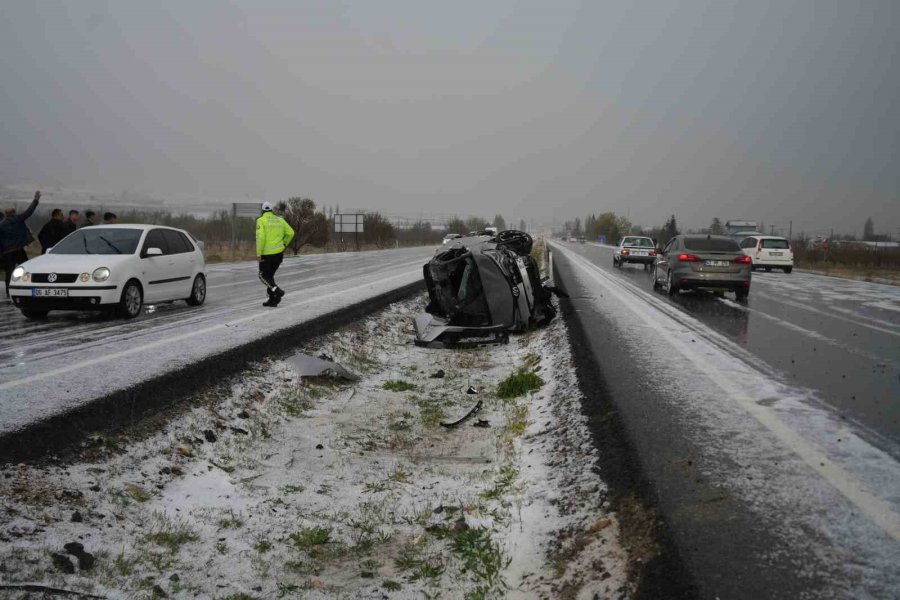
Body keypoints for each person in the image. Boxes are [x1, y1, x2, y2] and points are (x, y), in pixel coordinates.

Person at [0, 190, 41, 298]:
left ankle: (9, 293)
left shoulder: (1, 225)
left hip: (8, 252)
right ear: (13, 213)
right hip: (19, 249)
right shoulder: (18, 219)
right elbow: (29, 211)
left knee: (9, 272)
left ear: (5, 214)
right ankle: (28, 287)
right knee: (26, 268)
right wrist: (36, 200)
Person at [256, 201, 294, 307]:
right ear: (271, 210)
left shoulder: (261, 220)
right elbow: (291, 232)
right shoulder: (280, 220)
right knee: (270, 276)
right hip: (278, 255)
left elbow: (261, 237)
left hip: (266, 255)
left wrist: (258, 253)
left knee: (262, 276)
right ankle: (273, 300)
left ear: (263, 210)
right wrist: (284, 243)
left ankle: (276, 290)